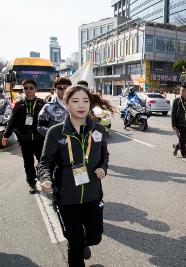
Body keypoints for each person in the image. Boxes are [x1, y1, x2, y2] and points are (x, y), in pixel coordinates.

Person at [38, 85, 112, 267]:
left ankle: (84, 243)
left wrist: (103, 168)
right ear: (67, 104)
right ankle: (78, 245)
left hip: (92, 195)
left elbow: (105, 156)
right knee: (74, 241)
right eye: (75, 101)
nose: (81, 105)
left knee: (95, 236)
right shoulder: (55, 133)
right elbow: (44, 162)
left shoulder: (99, 131)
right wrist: (45, 178)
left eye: (85, 101)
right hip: (66, 198)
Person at [1, 78, 45, 193]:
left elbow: (47, 120)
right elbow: (12, 121)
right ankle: (32, 183)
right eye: (26, 88)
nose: (29, 90)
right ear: (23, 90)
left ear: (35, 89)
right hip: (24, 140)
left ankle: (43, 178)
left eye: (31, 88)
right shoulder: (19, 105)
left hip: (40, 139)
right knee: (28, 162)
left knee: (42, 161)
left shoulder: (42, 104)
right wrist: (6, 135)